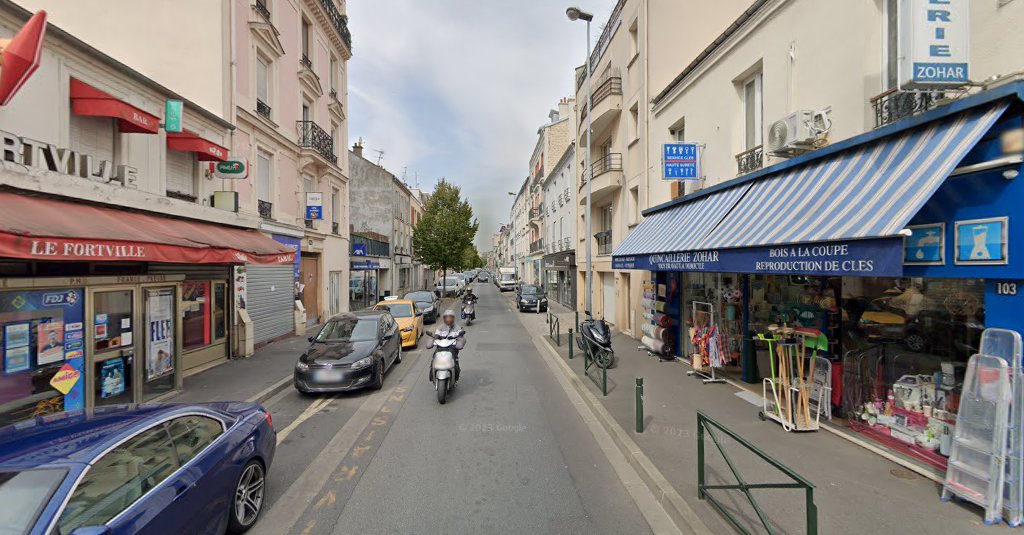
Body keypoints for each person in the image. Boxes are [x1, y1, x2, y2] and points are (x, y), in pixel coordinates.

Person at [432, 310, 465, 381]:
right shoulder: (440, 327)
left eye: (450, 317)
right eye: (447, 317)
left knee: (455, 359)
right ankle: (432, 372)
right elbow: (436, 335)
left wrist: (460, 340)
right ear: (444, 318)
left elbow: (460, 337)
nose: (448, 319)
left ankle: (456, 373)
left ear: (453, 318)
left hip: (452, 348)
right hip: (440, 348)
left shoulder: (457, 328)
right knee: (434, 357)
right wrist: (434, 339)